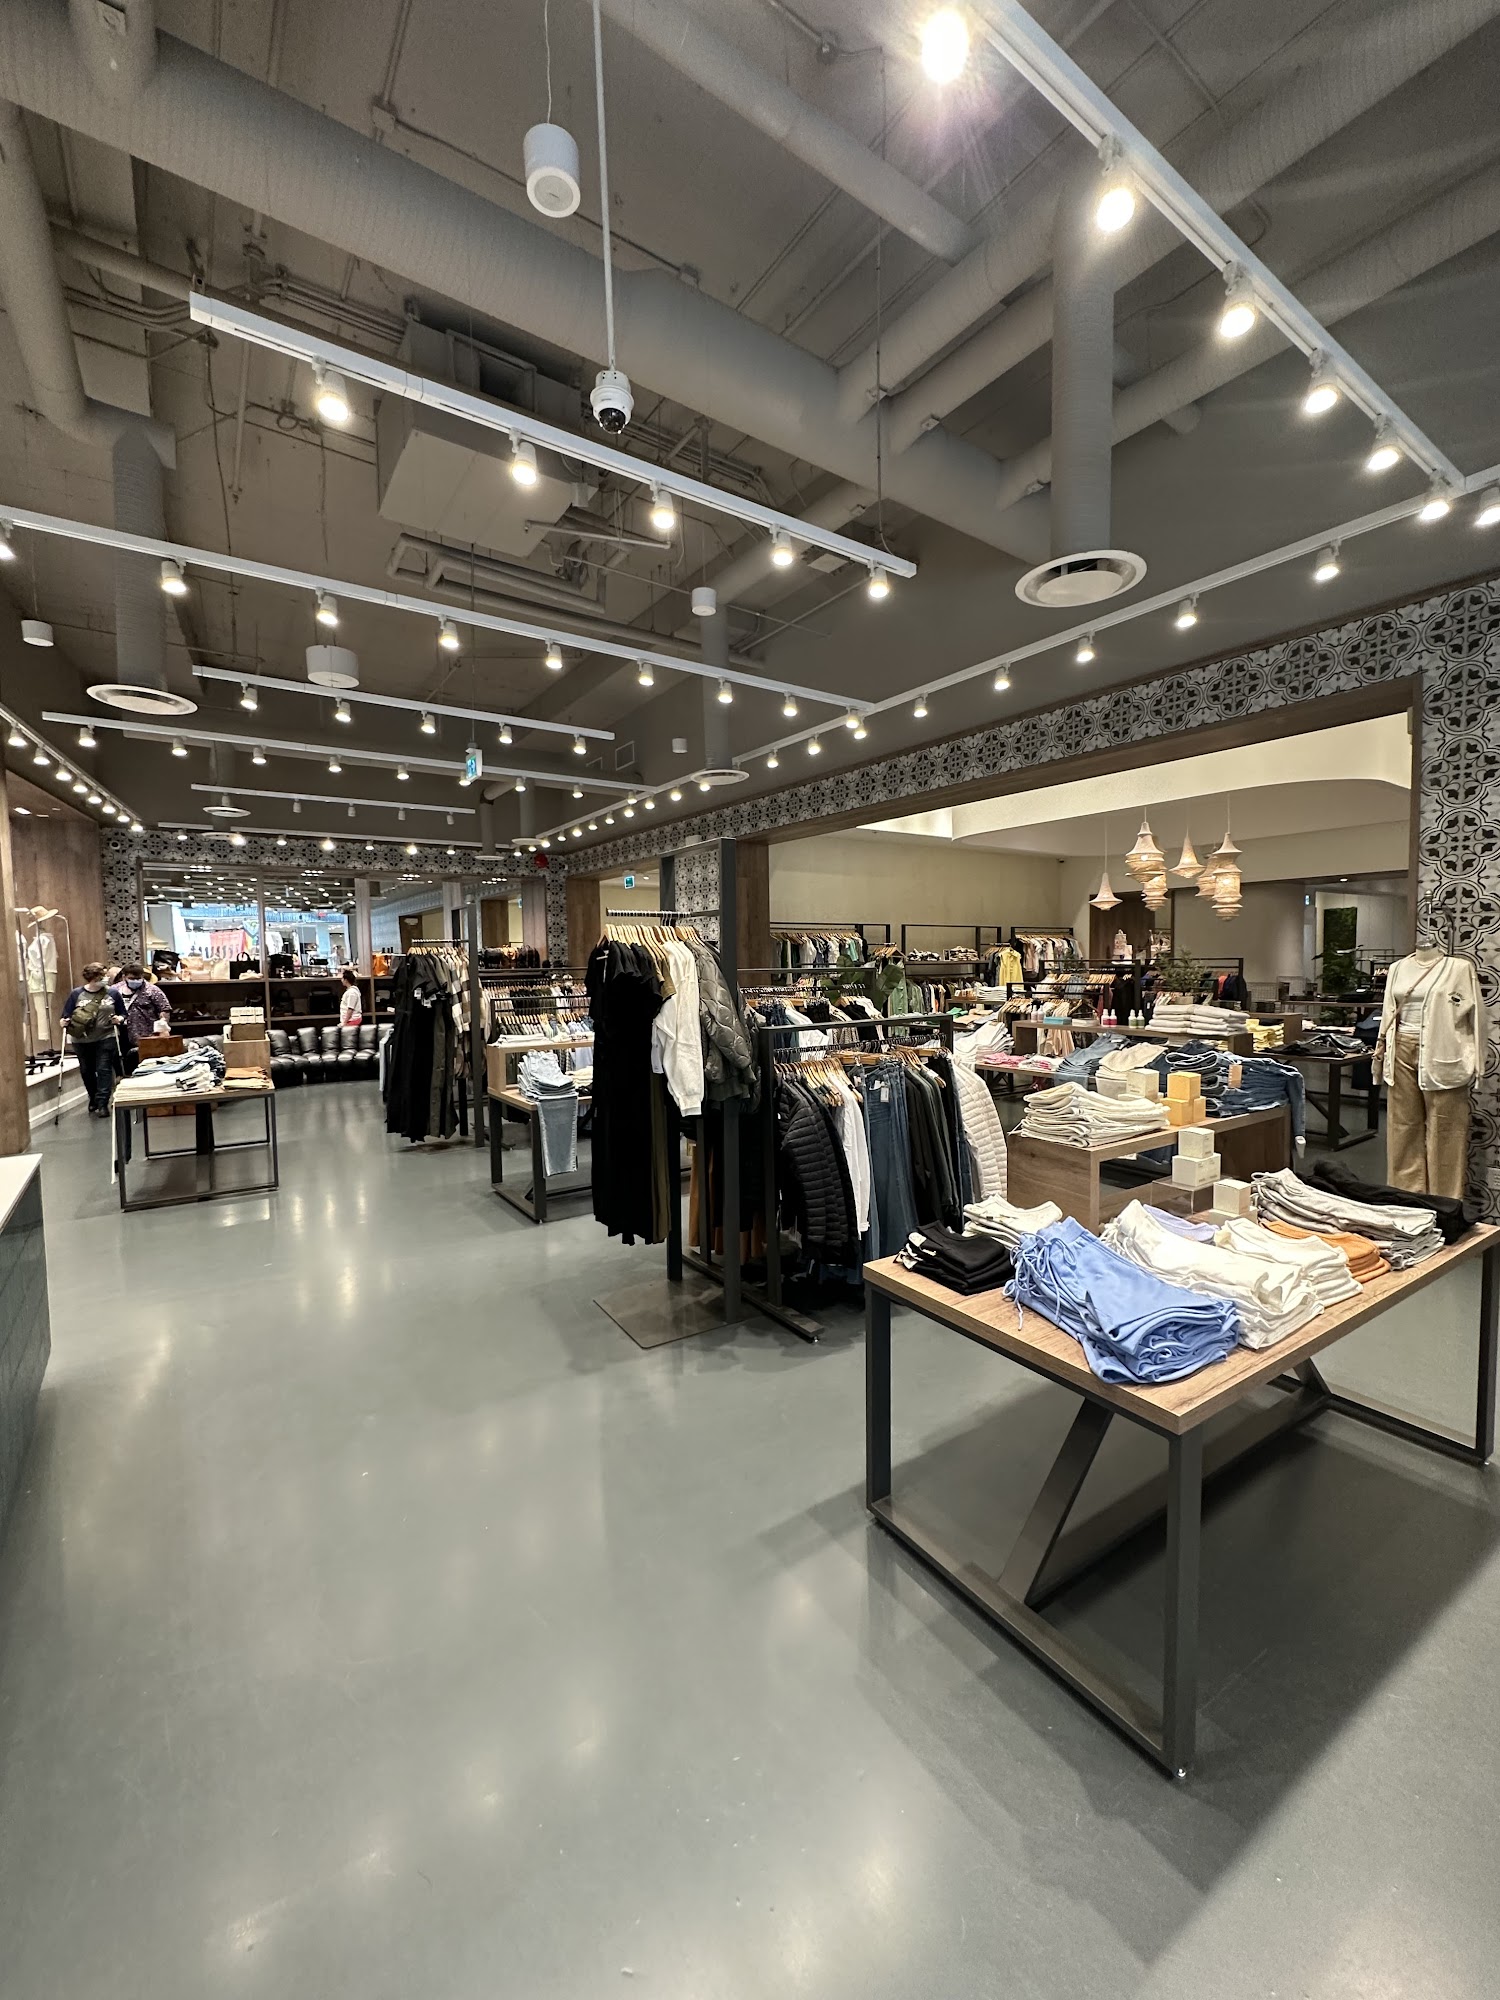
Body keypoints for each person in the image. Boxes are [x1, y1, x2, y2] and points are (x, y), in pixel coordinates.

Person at [61, 962, 121, 1117]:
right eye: (103, 975)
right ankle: (93, 1097)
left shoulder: (113, 993)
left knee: (103, 1069)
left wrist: (119, 1019)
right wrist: (64, 1021)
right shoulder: (76, 994)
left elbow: (122, 1012)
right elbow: (66, 1013)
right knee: (86, 1071)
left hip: (106, 1036)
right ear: (94, 977)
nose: (106, 978)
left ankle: (102, 1103)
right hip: (81, 1040)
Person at [111, 963, 172, 1072]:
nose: (135, 981)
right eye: (131, 978)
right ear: (124, 976)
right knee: (123, 1063)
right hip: (120, 1032)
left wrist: (163, 1025)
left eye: (138, 978)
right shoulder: (114, 990)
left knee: (145, 1064)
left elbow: (164, 1008)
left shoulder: (152, 990)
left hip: (145, 1034)